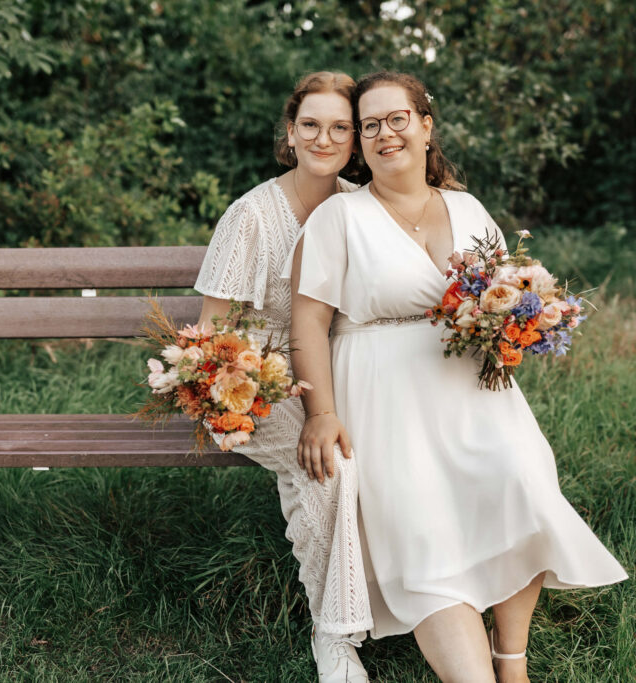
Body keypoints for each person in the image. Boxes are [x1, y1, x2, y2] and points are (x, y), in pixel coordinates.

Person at [286, 71, 628, 683]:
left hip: (474, 383)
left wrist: (519, 322)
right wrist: (322, 413)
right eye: (369, 126)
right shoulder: (340, 217)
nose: (385, 134)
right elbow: (308, 322)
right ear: (360, 144)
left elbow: (508, 285)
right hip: (382, 388)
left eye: (397, 119)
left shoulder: (467, 207)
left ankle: (511, 660)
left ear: (425, 125)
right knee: (423, 533)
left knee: (523, 486)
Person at [193, 71, 373, 683]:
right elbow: (212, 334)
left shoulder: (360, 206)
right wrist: (256, 389)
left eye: (340, 128)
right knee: (327, 464)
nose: (324, 138)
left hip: (337, 372)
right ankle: (336, 637)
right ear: (290, 134)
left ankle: (416, 595)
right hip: (251, 384)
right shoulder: (253, 215)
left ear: (354, 140)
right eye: (311, 126)